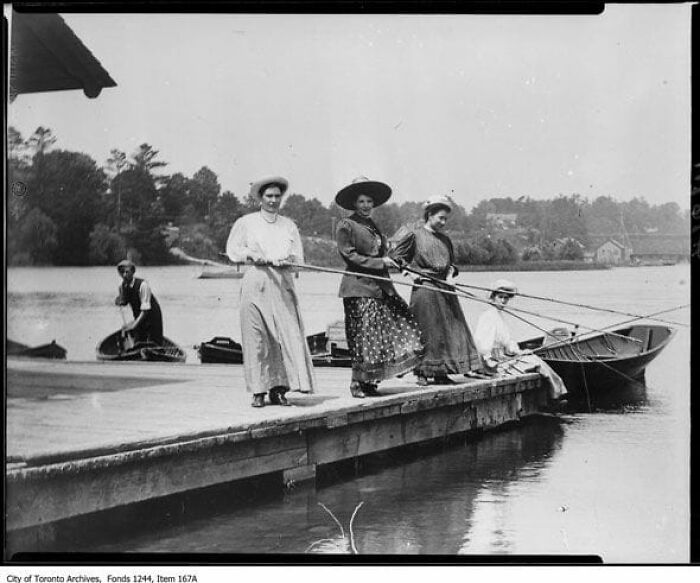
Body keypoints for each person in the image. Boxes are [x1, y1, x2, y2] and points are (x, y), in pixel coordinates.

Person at [225, 176, 315, 408]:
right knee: (257, 337)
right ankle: (258, 390)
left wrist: (287, 262)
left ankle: (279, 389)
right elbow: (234, 250)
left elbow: (298, 260)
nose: (274, 200)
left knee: (283, 338)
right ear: (260, 199)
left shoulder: (289, 225)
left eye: (277, 196)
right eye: (269, 196)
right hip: (256, 282)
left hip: (281, 284)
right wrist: (252, 255)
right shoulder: (246, 222)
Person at [335, 176, 424, 398]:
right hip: (359, 287)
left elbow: (383, 253)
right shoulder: (347, 225)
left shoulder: (373, 226)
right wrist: (379, 263)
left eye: (369, 202)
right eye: (362, 201)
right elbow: (349, 255)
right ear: (354, 204)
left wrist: (396, 263)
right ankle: (357, 382)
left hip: (381, 287)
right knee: (361, 335)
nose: (366, 206)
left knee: (381, 333)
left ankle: (371, 380)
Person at [391, 195, 480, 385]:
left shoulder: (445, 240)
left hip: (445, 288)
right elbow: (397, 258)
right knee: (427, 329)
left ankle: (441, 372)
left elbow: (452, 264)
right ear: (429, 214)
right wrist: (410, 274)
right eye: (440, 217)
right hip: (426, 288)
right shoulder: (414, 235)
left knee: (447, 329)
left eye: (446, 219)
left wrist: (449, 276)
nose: (443, 222)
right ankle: (422, 372)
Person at [474, 279, 567, 401]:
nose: (503, 301)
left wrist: (519, 352)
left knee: (533, 359)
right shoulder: (488, 316)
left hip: (502, 358)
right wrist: (490, 364)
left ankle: (555, 394)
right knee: (536, 363)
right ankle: (557, 395)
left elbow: (507, 342)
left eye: (506, 298)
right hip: (494, 363)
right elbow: (482, 346)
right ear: (493, 297)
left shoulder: (498, 316)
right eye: (500, 297)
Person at [115, 259, 164, 345]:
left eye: (127, 272)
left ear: (133, 272)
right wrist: (119, 300)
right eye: (122, 273)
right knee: (137, 341)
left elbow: (145, 311)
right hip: (139, 317)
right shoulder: (123, 286)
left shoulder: (143, 285)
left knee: (154, 343)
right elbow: (124, 301)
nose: (124, 275)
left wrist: (134, 325)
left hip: (152, 317)